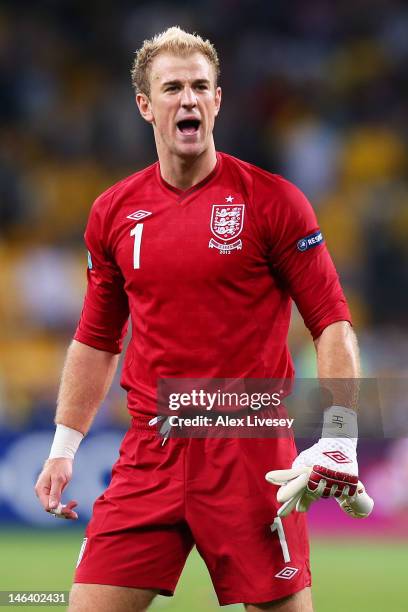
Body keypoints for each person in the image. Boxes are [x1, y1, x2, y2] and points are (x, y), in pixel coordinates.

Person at [35, 26, 364, 612]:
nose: (187, 99)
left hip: (249, 451)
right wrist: (64, 446)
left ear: (217, 100)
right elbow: (97, 337)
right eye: (172, 88)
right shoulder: (113, 211)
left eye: (199, 87)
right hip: (150, 450)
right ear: (145, 105)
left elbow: (332, 323)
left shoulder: (274, 202)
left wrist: (341, 436)